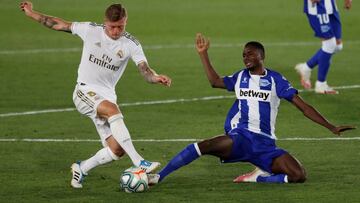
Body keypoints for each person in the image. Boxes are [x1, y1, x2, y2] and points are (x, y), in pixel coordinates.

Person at [147, 33, 354, 185]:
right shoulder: (240, 77)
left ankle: (259, 177)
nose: (245, 57)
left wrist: (331, 126)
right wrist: (203, 55)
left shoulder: (275, 80)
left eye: (250, 54)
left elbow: (303, 107)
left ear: (261, 56)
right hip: (241, 137)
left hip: (266, 144)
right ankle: (159, 176)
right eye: (244, 54)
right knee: (205, 145)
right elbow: (215, 82)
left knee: (299, 175)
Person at [20, 1, 172, 188]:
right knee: (112, 109)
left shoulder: (131, 44)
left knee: (116, 150)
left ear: (126, 22)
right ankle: (139, 161)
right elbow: (57, 23)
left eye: (120, 27)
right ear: (105, 22)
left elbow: (145, 70)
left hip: (106, 97)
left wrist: (155, 78)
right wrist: (31, 13)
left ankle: (82, 167)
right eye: (112, 26)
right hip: (84, 91)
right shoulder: (90, 30)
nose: (116, 31)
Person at [295, 0, 352, 94]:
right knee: (330, 44)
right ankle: (321, 84)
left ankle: (306, 67)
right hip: (317, 8)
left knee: (337, 46)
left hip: (331, 7)